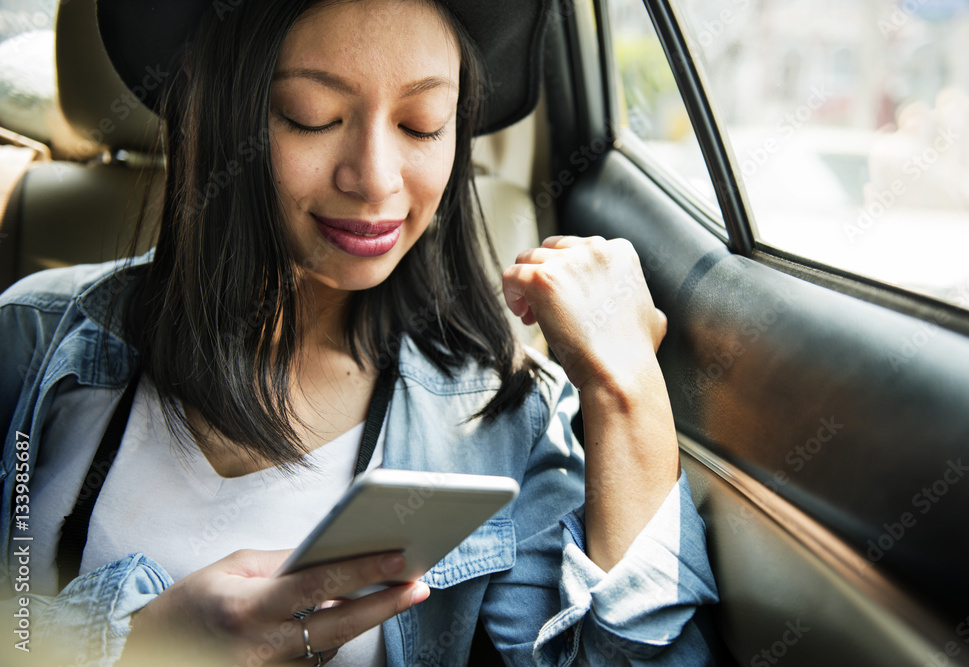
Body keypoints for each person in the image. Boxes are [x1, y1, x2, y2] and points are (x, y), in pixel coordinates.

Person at [0, 0, 720, 664]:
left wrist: (626, 391)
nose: (375, 179)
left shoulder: (506, 422)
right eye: (311, 115)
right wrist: (134, 644)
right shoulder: (30, 343)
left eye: (423, 124)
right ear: (206, 102)